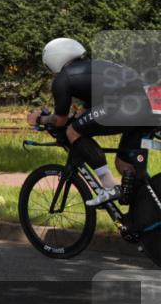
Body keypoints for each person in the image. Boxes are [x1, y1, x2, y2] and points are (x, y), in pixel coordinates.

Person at [28, 37, 158, 207]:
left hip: (126, 104)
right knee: (124, 163)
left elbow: (60, 121)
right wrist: (75, 118)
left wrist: (38, 118)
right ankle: (146, 211)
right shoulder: (93, 69)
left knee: (72, 132)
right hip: (147, 105)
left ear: (53, 60)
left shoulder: (63, 79)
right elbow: (86, 114)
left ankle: (107, 186)